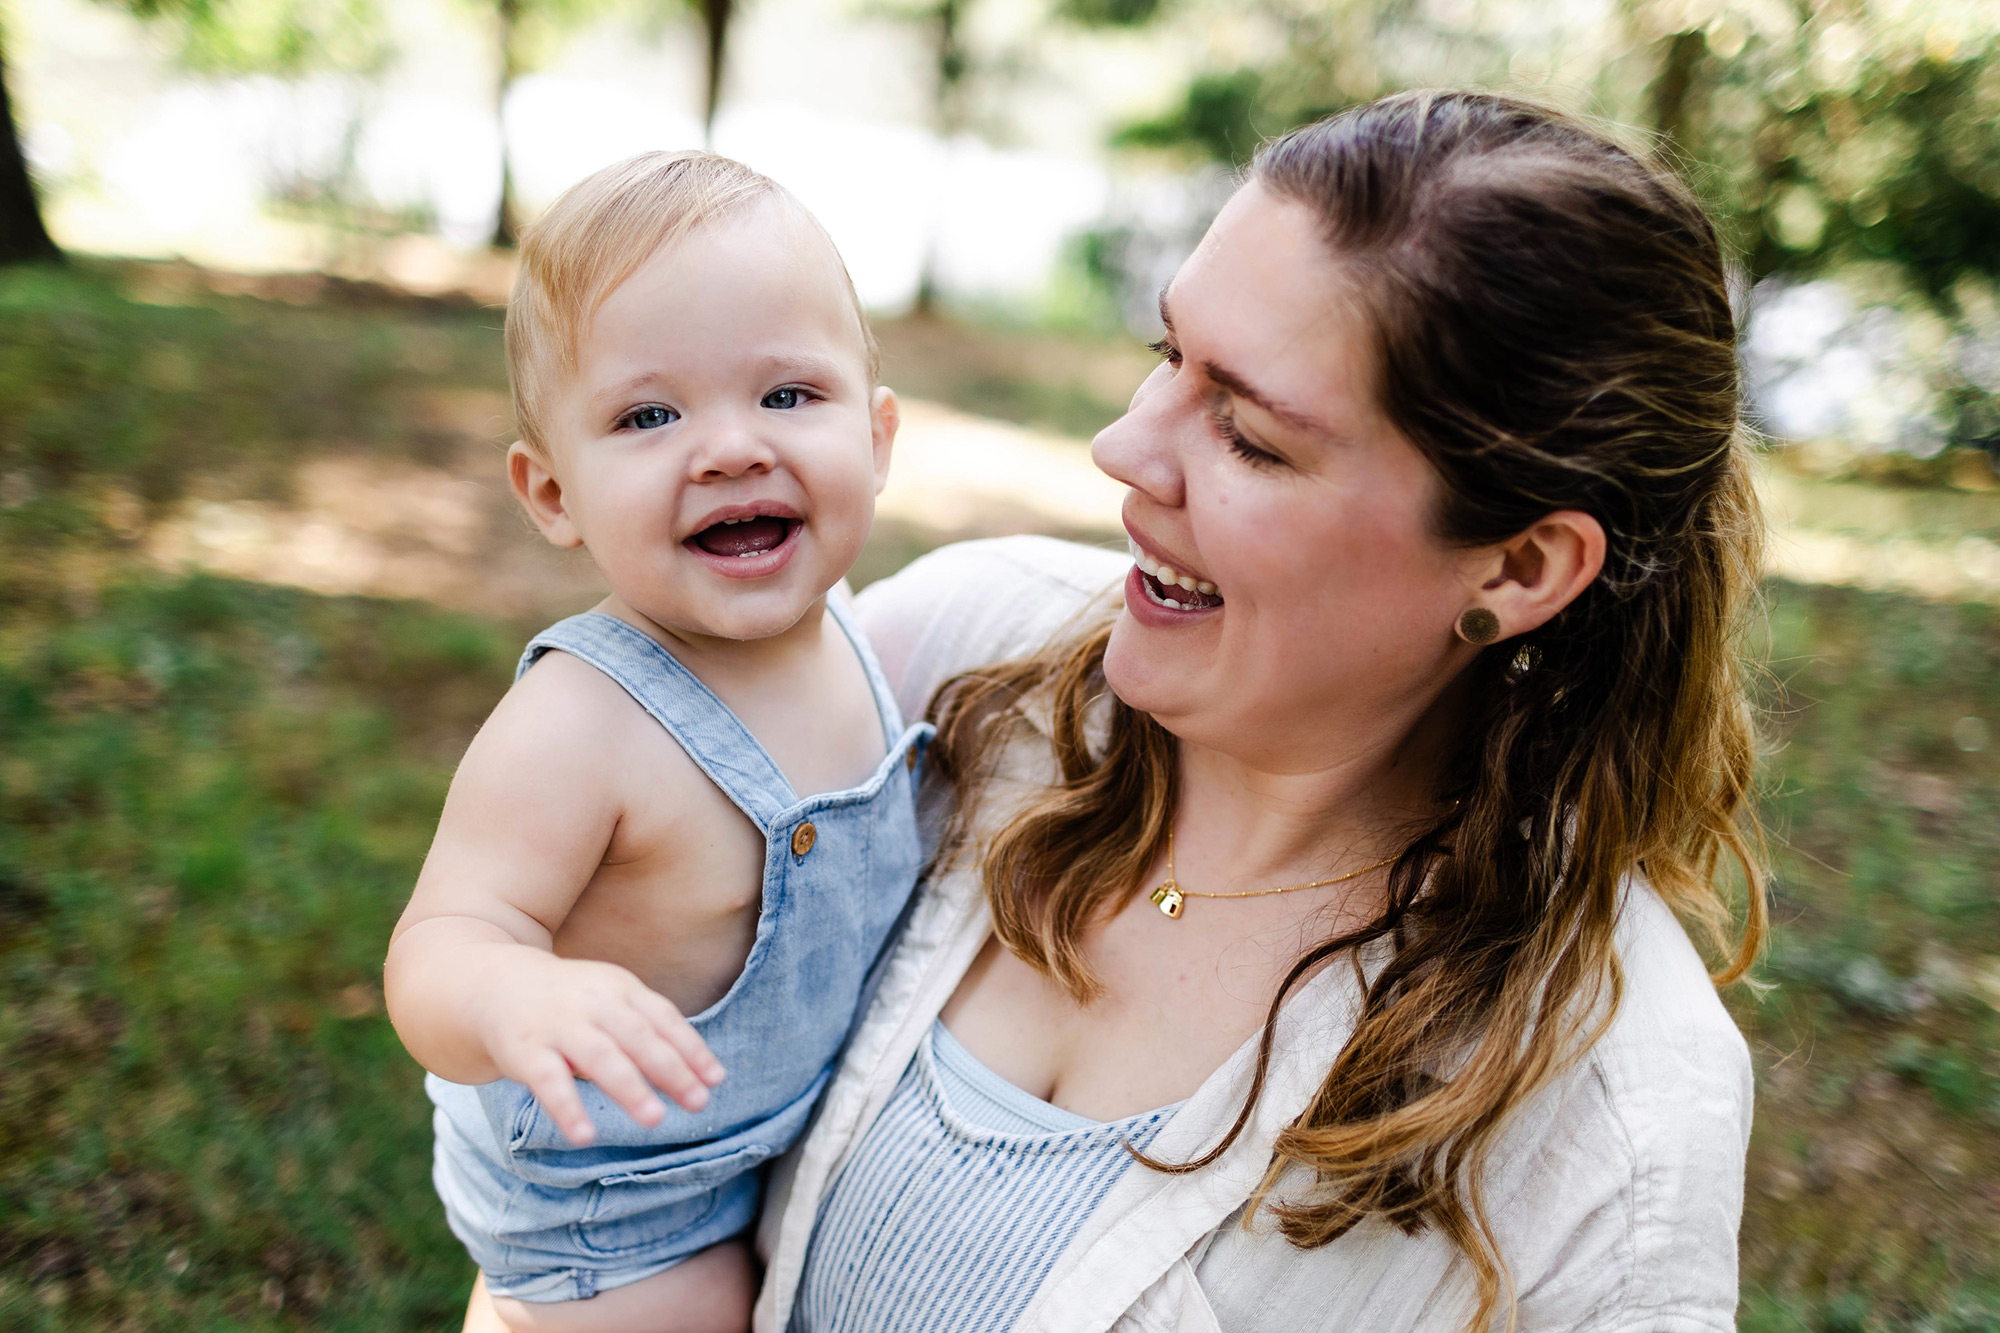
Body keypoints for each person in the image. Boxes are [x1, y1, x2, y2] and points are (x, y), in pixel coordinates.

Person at [755, 91, 1767, 1333]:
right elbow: (569, 1166)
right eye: (1162, 357)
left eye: (1245, 434)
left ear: (1514, 568)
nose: (1124, 447)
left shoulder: (1612, 1111)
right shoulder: (947, 662)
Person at [383, 151, 928, 1333]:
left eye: (788, 396)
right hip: (616, 1214)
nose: (731, 448)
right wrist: (513, 991)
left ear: (877, 438)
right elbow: (437, 944)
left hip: (751, 1135)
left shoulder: (850, 633)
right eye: (648, 414)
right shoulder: (583, 721)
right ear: (552, 495)